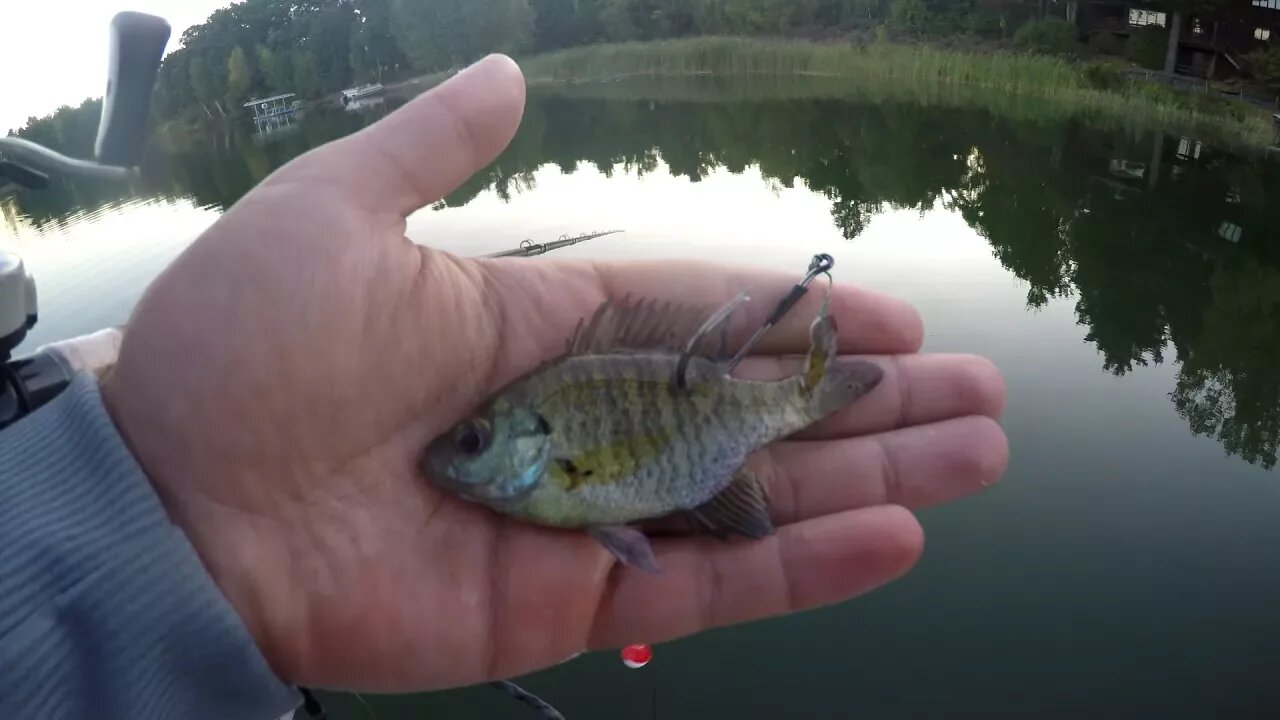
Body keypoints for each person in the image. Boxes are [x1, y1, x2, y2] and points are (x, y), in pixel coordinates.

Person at [0, 55, 1008, 720]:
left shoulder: (565, 452)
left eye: (476, 443)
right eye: (473, 442)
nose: (449, 459)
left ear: (527, 441)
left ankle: (809, 394)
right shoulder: (552, 456)